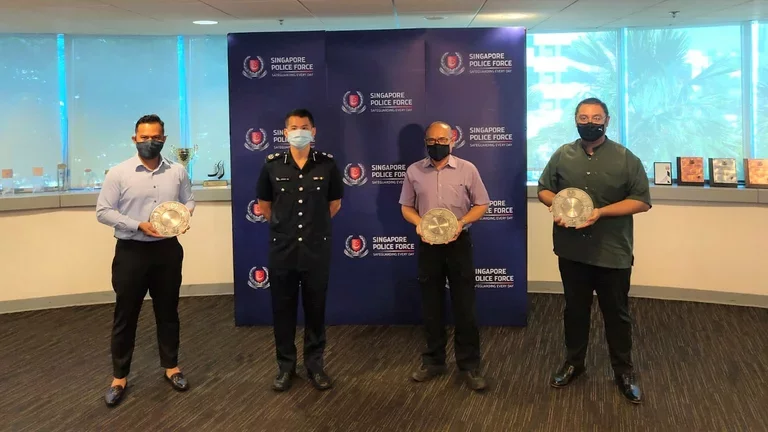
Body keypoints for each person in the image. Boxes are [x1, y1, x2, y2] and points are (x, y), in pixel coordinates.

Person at [537, 98, 651, 404]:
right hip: (571, 250)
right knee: (575, 311)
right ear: (575, 119)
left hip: (612, 251)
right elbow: (543, 189)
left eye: (596, 117)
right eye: (583, 117)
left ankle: (623, 371)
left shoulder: (626, 158)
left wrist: (600, 212)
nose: (590, 122)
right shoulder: (563, 154)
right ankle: (574, 362)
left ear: (608, 121)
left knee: (616, 314)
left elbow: (641, 201)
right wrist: (557, 204)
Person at [96, 114, 195, 407]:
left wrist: (183, 217)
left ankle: (172, 367)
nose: (149, 142)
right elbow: (103, 211)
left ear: (163, 139)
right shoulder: (119, 173)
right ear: (134, 139)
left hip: (167, 252)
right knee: (126, 315)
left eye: (155, 137)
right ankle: (119, 377)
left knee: (168, 312)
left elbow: (188, 201)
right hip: (131, 253)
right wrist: (138, 224)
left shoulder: (177, 172)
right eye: (144, 137)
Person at [399, 121, 490, 392]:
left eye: (441, 139)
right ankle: (433, 361)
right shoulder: (414, 170)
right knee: (431, 305)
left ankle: (470, 365)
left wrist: (460, 223)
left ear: (452, 140)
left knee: (465, 306)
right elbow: (406, 206)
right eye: (431, 140)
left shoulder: (467, 169)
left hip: (459, 243)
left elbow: (482, 204)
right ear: (425, 143)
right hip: (428, 245)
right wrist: (418, 224)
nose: (436, 144)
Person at [256, 108, 343, 392]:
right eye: (293, 127)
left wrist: (311, 228)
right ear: (285, 133)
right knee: (283, 309)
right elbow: (265, 206)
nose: (299, 131)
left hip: (317, 249)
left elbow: (334, 204)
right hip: (283, 249)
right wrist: (287, 228)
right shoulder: (272, 165)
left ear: (314, 131)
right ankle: (285, 367)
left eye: (304, 126)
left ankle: (315, 365)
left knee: (315, 309)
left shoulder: (327, 164)